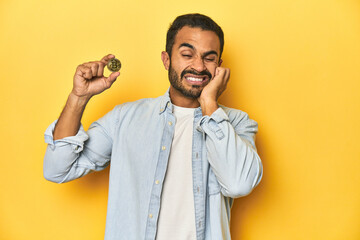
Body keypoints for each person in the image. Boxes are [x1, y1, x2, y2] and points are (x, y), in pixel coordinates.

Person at [43, 13, 263, 240]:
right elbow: (57, 169)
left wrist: (209, 104)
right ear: (166, 59)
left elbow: (239, 184)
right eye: (187, 54)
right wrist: (78, 98)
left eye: (209, 58)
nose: (198, 66)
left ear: (219, 67)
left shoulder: (237, 124)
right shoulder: (124, 119)